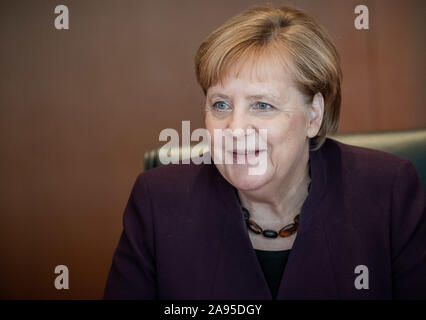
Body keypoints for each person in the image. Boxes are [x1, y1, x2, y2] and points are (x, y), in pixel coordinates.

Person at [103, 5, 425, 299]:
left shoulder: (387, 192)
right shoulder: (158, 201)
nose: (235, 128)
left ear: (313, 116)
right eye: (221, 104)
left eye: (262, 105)